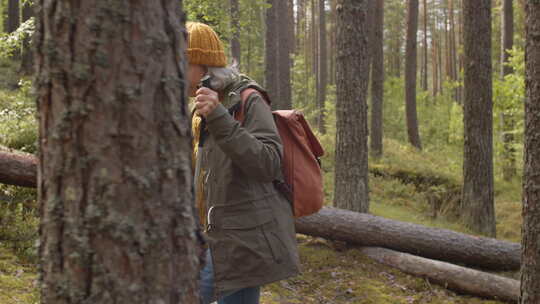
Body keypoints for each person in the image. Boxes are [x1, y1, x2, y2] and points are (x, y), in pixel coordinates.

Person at [186, 22, 300, 304]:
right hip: (213, 237)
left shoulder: (248, 100)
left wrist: (220, 118)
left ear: (204, 66)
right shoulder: (200, 107)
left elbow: (269, 163)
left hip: (244, 240)